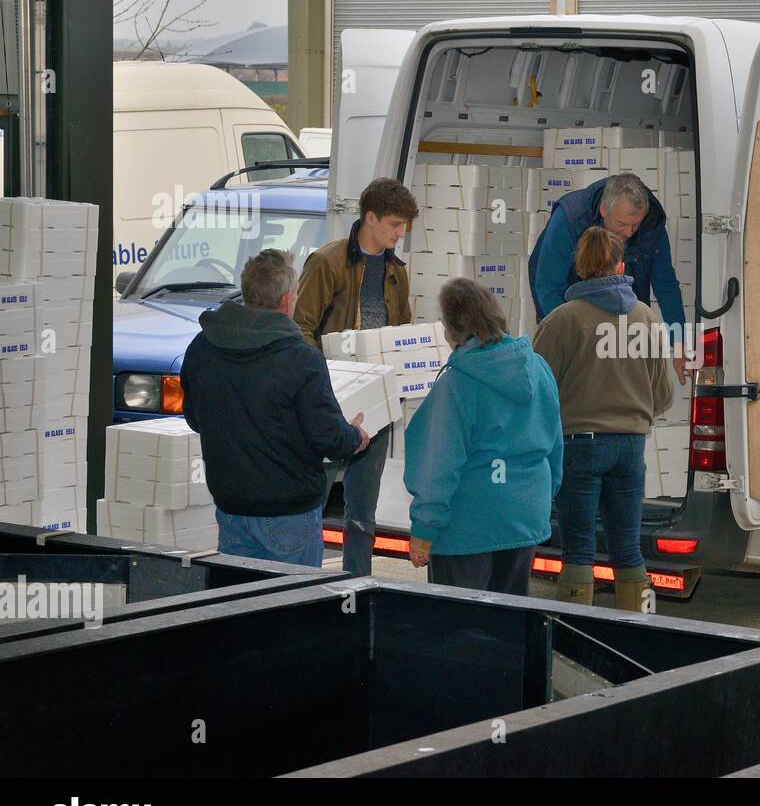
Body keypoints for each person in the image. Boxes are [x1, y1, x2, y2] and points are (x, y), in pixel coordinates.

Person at [181, 249, 370, 566]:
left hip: (231, 509)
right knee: (292, 610)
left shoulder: (203, 347)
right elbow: (328, 438)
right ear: (286, 300)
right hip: (289, 512)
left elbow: (195, 418)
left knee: (241, 606)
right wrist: (355, 435)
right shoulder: (301, 359)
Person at [531, 226, 674, 609]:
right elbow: (663, 394)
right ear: (621, 266)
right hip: (630, 445)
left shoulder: (561, 322)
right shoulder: (646, 318)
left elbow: (537, 392)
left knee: (578, 549)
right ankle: (638, 628)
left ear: (580, 268)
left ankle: (576, 631)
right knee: (628, 549)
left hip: (579, 446)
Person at [404, 278, 563, 595]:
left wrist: (424, 526)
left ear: (451, 329)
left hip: (468, 525)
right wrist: (541, 497)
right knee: (508, 622)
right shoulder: (539, 368)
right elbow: (555, 448)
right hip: (525, 515)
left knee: (458, 627)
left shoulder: (456, 385)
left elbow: (437, 465)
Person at [294, 176, 417, 576]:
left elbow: (401, 332)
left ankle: (358, 584)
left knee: (363, 508)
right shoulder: (327, 262)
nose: (401, 233)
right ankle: (304, 582)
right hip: (331, 402)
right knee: (315, 497)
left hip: (377, 401)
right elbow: (301, 328)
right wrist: (327, 386)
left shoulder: (397, 271)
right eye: (395, 224)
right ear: (371, 217)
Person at [528, 172, 689, 385]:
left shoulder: (651, 224)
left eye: (635, 225)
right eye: (622, 224)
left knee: (624, 368)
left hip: (625, 299)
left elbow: (666, 285)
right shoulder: (570, 218)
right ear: (604, 210)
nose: (630, 232)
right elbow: (548, 288)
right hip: (567, 298)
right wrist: (574, 339)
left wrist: (679, 343)